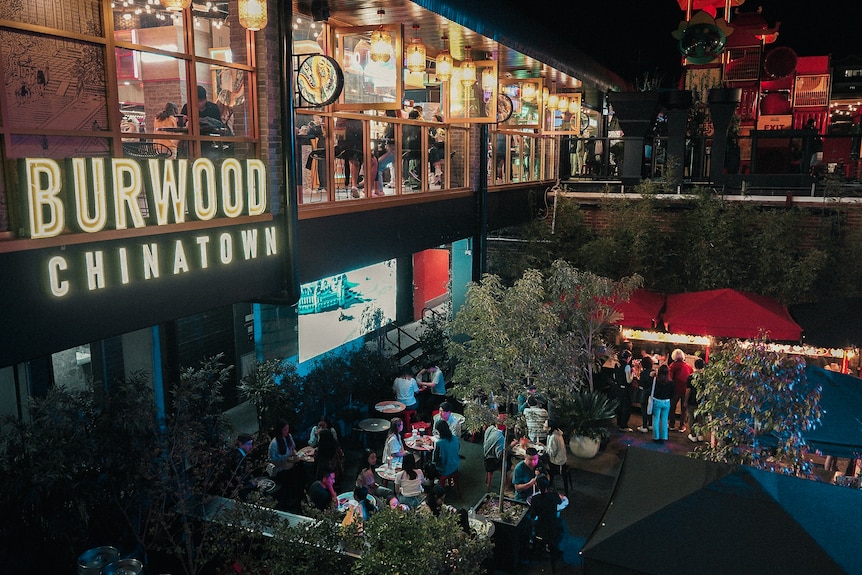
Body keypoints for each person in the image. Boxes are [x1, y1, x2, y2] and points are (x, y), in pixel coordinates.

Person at [528, 475, 568, 560]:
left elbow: (533, 515)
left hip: (541, 528)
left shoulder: (535, 499)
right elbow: (560, 501)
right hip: (553, 526)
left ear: (537, 485)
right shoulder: (553, 495)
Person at [668, 348, 693, 432]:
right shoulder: (689, 366)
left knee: (672, 407)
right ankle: (682, 426)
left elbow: (669, 378)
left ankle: (671, 424)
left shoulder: (672, 366)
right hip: (686, 390)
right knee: (684, 409)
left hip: (675, 389)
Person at [651, 364, 675, 443]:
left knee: (656, 419)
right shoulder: (671, 382)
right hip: (666, 402)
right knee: (664, 420)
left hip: (657, 401)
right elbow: (672, 394)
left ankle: (656, 437)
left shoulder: (655, 380)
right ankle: (664, 437)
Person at [483, 417, 505, 492]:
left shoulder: (490, 428)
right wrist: (510, 446)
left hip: (485, 456)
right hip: (492, 461)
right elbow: (499, 455)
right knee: (508, 464)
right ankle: (507, 487)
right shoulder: (500, 437)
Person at [687, 358, 706, 443]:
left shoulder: (691, 377)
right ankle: (700, 435)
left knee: (691, 417)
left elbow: (688, 390)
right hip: (703, 400)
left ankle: (693, 435)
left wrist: (685, 400)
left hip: (692, 399)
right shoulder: (706, 377)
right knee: (700, 418)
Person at [635, 355, 656, 433]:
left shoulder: (643, 373)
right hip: (652, 393)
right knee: (650, 408)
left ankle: (644, 426)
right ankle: (650, 424)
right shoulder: (654, 371)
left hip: (644, 392)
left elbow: (642, 384)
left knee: (644, 409)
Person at [615, 348, 634, 431]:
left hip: (618, 388)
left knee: (619, 406)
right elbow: (629, 380)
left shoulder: (617, 364)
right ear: (628, 358)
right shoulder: (627, 366)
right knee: (626, 407)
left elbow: (614, 376)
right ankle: (624, 425)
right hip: (625, 389)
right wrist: (632, 373)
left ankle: (619, 423)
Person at [544, 420, 567, 487]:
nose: (543, 425)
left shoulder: (553, 437)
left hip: (558, 462)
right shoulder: (556, 433)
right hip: (561, 458)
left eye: (545, 424)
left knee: (543, 465)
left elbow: (552, 453)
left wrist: (544, 448)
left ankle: (548, 484)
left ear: (549, 428)